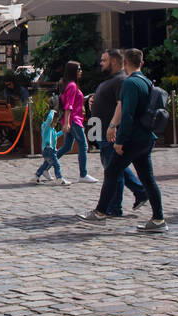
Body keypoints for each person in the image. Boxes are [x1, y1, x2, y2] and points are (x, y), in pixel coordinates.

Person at [80, 48, 166, 232]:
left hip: (133, 138)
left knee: (112, 171)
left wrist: (120, 139)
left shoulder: (130, 83)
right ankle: (158, 219)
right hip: (145, 137)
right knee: (147, 178)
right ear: (141, 63)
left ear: (124, 63)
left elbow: (127, 114)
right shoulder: (146, 81)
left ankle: (101, 212)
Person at [90, 49, 147, 215]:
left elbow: (122, 106)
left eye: (104, 60)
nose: (101, 63)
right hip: (102, 130)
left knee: (113, 170)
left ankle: (114, 207)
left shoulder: (121, 80)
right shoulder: (112, 80)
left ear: (115, 62)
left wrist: (115, 127)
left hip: (111, 132)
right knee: (116, 168)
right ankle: (140, 192)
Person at [55, 61, 97, 183]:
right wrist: (67, 122)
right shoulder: (72, 86)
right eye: (78, 69)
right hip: (74, 120)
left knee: (66, 147)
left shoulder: (67, 85)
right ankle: (83, 174)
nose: (81, 71)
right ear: (73, 71)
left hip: (72, 119)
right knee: (83, 145)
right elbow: (69, 105)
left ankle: (44, 168)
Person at [33, 108, 67, 185]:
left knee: (45, 164)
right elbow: (49, 119)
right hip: (48, 150)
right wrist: (52, 111)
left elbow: (55, 136)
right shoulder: (45, 126)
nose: (55, 124)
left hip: (50, 150)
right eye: (55, 122)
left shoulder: (52, 130)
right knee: (56, 164)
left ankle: (37, 176)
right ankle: (59, 178)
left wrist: (62, 131)